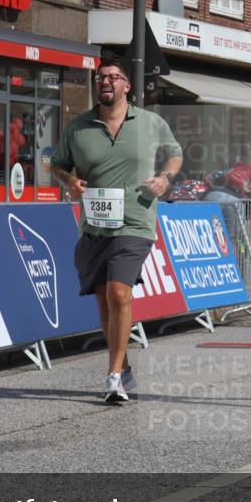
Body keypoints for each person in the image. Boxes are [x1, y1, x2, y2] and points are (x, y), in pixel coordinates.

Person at [51, 57, 182, 403]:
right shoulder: (79, 127)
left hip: (136, 222)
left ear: (127, 85)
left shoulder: (150, 123)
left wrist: (165, 178)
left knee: (119, 293)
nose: (106, 81)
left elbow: (175, 154)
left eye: (113, 77)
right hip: (94, 225)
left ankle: (112, 377)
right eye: (101, 77)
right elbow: (58, 164)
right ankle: (122, 365)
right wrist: (69, 181)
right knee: (104, 303)